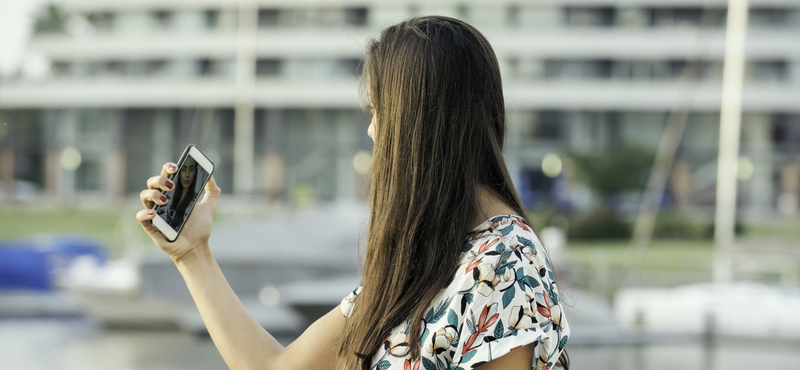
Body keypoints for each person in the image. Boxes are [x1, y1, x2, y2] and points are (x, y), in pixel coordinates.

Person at [136, 16, 570, 370]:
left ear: (417, 122)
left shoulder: (504, 263)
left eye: (379, 111)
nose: (371, 130)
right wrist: (192, 253)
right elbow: (276, 368)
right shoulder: (426, 259)